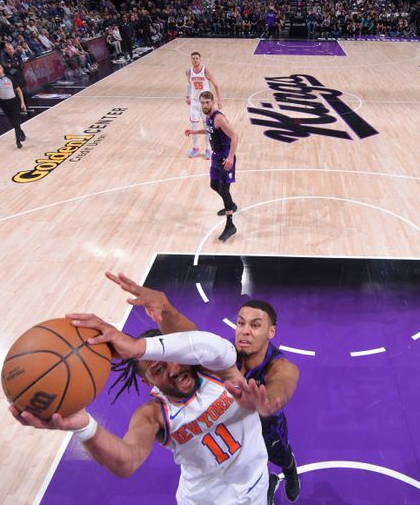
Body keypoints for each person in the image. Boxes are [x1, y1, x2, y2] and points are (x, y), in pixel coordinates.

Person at [9, 298, 276, 504]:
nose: (173, 370)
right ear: (147, 382)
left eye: (175, 359)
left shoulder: (215, 370)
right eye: (158, 370)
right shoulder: (153, 415)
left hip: (256, 483)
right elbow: (127, 460)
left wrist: (138, 347)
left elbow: (216, 347)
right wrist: (84, 426)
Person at [106, 272, 301, 504]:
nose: (245, 330)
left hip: (266, 424)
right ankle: (264, 482)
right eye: (240, 323)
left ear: (271, 332)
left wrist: (267, 402)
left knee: (280, 455)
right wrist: (166, 311)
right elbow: (190, 339)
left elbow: (284, 381)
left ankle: (290, 471)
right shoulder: (217, 356)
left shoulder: (278, 364)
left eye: (255, 325)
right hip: (228, 442)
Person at [185, 91, 238, 242]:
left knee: (223, 189)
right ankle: (231, 205)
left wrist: (230, 158)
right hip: (216, 156)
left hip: (225, 157)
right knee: (213, 184)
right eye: (202, 103)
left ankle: (230, 225)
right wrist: (194, 131)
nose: (205, 105)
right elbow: (209, 130)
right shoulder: (208, 117)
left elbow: (235, 136)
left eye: (208, 102)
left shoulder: (219, 118)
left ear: (212, 102)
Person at [185, 51, 221, 159]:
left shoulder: (205, 71)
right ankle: (195, 148)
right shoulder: (188, 72)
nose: (195, 60)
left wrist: (219, 100)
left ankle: (208, 149)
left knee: (207, 127)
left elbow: (216, 85)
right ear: (191, 60)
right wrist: (187, 96)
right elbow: (189, 84)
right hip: (195, 102)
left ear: (200, 60)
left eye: (197, 58)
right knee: (194, 126)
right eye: (193, 58)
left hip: (205, 103)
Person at [0, 62, 27, 148]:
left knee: (16, 121)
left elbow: (18, 90)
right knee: (12, 122)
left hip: (13, 101)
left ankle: (18, 141)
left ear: (2, 68)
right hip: (3, 102)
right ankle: (21, 133)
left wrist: (22, 102)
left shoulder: (10, 78)